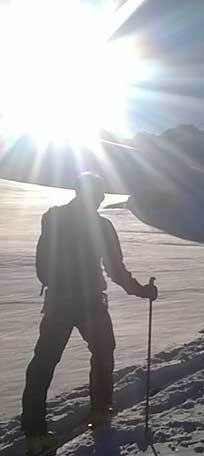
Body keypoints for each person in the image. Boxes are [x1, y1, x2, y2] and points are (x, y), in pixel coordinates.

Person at [23, 172, 159, 454]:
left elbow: (41, 264)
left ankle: (34, 431)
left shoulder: (53, 217)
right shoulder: (102, 226)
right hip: (90, 303)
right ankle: (100, 409)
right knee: (102, 350)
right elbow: (116, 270)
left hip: (59, 300)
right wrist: (142, 291)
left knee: (44, 361)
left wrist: (55, 284)